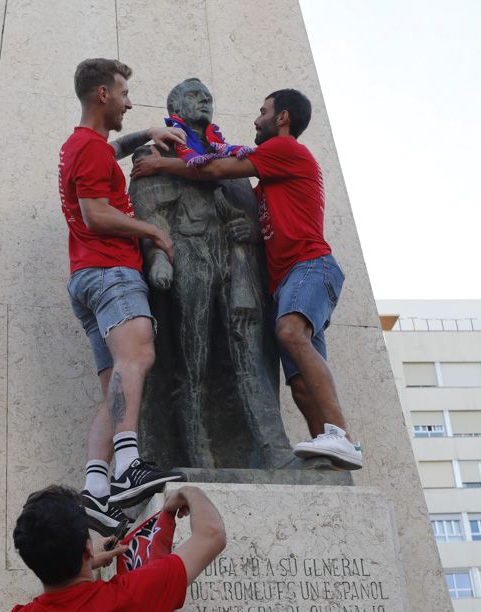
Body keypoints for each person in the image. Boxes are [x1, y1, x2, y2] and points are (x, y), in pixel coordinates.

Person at [131, 89, 362, 470]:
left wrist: (166, 167)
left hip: (302, 269)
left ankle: (338, 437)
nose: (256, 119)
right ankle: (330, 459)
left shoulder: (272, 153)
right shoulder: (244, 163)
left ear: (282, 118)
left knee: (283, 341)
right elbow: (153, 208)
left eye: (263, 112)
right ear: (175, 109)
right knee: (296, 380)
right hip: (232, 270)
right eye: (194, 95)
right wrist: (161, 252)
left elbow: (219, 173)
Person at [60, 58, 189, 534]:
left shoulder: (82, 146)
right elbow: (96, 214)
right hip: (112, 270)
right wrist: (151, 230)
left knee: (115, 381)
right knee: (139, 357)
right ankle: (128, 468)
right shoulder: (88, 150)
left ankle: (95, 491)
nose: (130, 101)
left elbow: (111, 149)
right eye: (125, 92)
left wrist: (147, 134)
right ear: (102, 94)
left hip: (86, 278)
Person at [0, 485, 226, 612]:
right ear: (88, 548)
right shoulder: (134, 597)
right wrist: (189, 492)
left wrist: (83, 561)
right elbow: (212, 534)